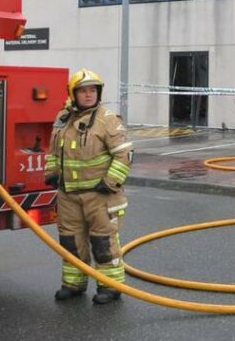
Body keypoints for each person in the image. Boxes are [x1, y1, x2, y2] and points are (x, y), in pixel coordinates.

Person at [45, 68, 133, 304]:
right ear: (73, 94)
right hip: (69, 195)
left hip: (100, 196)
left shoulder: (107, 120)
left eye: (93, 90)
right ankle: (74, 284)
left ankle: (110, 287)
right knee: (71, 242)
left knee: (103, 243)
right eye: (83, 91)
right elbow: (53, 151)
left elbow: (124, 155)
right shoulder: (63, 120)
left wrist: (110, 182)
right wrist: (51, 173)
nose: (88, 95)